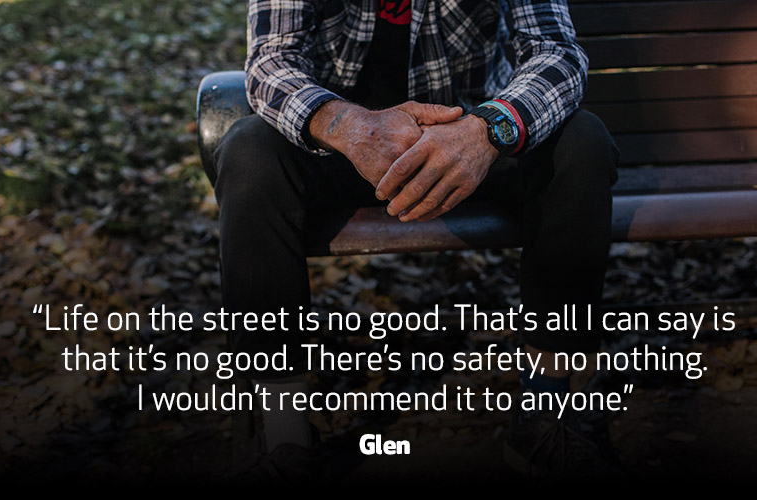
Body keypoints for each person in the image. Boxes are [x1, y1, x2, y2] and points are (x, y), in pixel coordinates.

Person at [213, 0, 620, 480]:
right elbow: (271, 62)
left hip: (466, 142)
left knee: (582, 143)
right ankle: (283, 436)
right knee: (248, 153)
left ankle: (544, 420)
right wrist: (348, 126)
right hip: (339, 144)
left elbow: (556, 52)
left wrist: (488, 130)